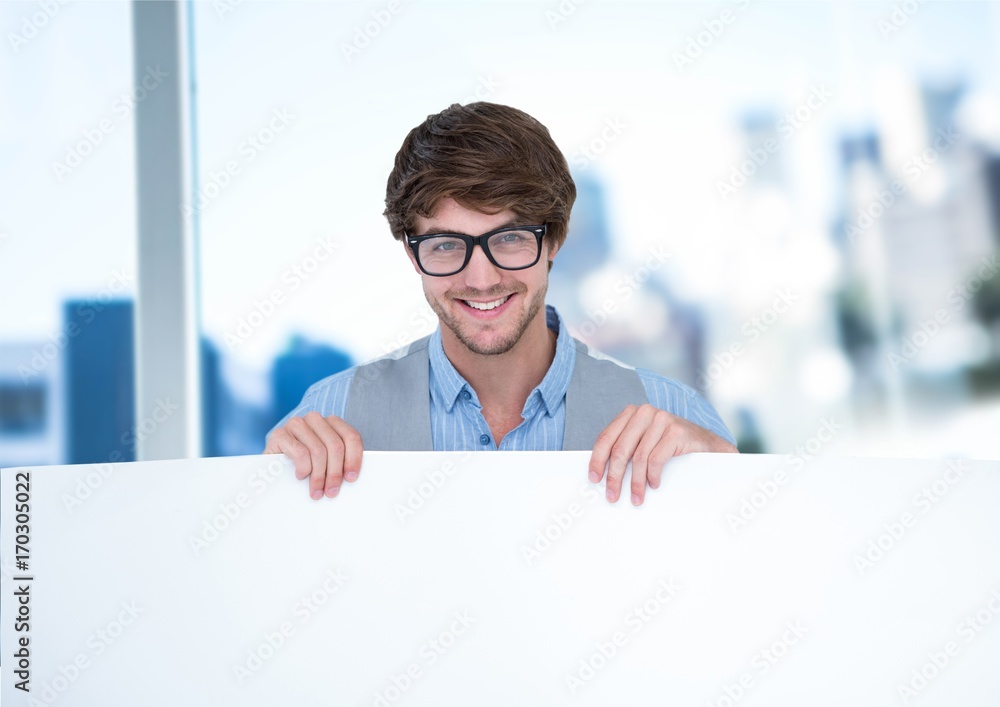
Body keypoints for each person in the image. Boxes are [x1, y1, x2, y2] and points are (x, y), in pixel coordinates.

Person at [265, 102, 737, 506]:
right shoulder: (331, 412)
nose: (481, 279)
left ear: (554, 240)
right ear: (413, 256)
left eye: (509, 238)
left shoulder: (675, 417)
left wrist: (721, 481)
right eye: (447, 245)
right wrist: (266, 490)